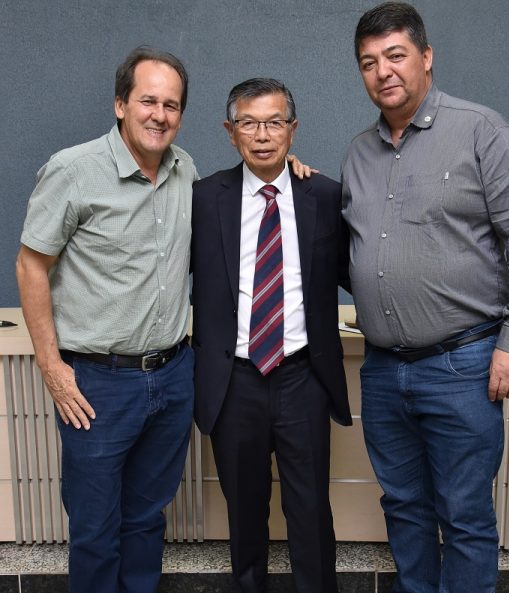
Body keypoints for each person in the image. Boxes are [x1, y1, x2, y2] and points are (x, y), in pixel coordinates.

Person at [341, 3, 509, 592]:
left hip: (463, 366)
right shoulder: (359, 153)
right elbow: (354, 248)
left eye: (395, 55)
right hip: (383, 371)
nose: (383, 71)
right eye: (369, 62)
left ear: (426, 56)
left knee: (463, 514)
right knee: (404, 507)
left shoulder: (481, 130)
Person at [16, 47, 198, 593]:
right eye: (147, 101)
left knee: (146, 519)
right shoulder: (73, 170)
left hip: (172, 376)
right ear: (121, 104)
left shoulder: (185, 170)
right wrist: (51, 367)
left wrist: (289, 169)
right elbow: (30, 265)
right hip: (98, 384)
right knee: (95, 529)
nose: (159, 115)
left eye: (171, 105)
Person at [191, 78, 351, 593]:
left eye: (274, 122)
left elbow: (359, 269)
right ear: (230, 131)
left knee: (310, 508)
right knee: (244, 511)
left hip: (302, 377)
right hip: (233, 381)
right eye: (249, 123)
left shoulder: (323, 195)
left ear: (292, 129)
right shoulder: (202, 198)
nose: (262, 135)